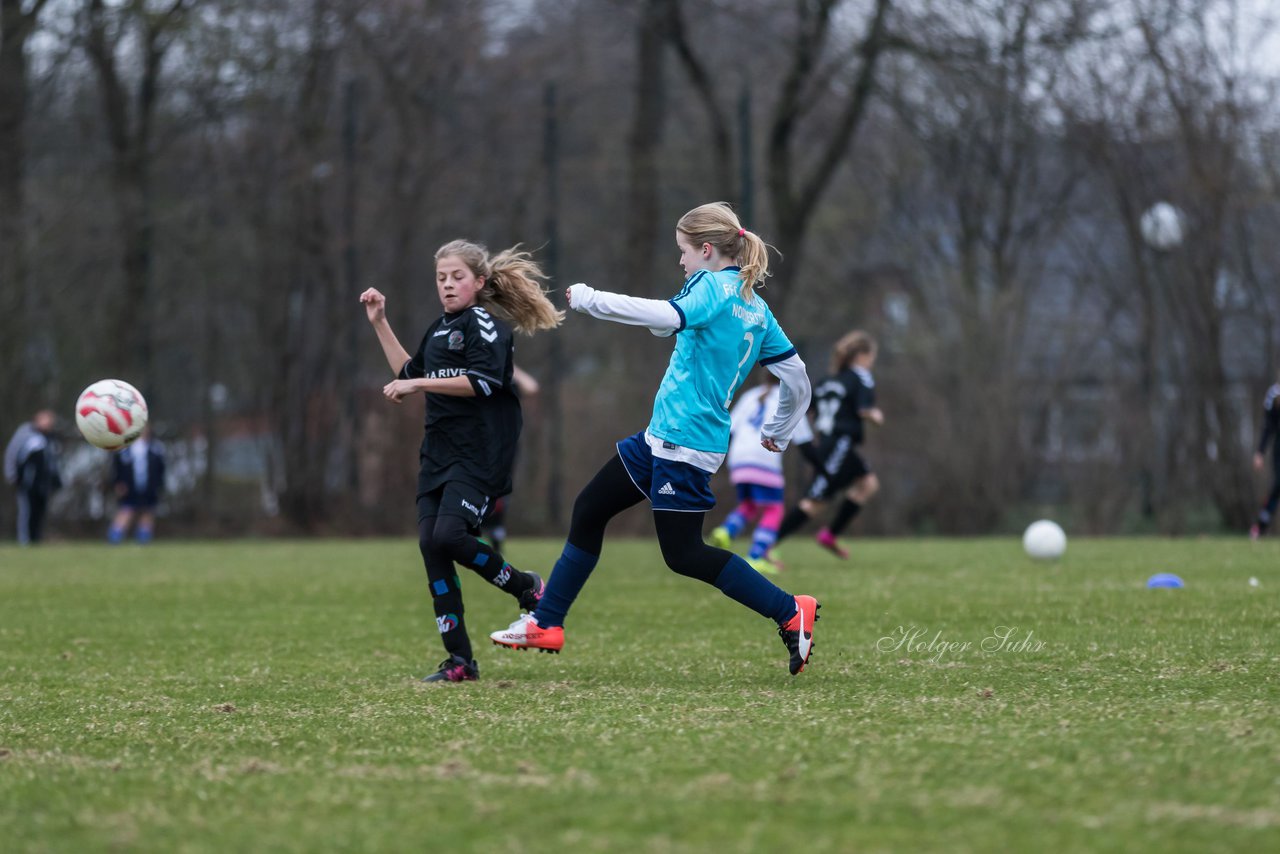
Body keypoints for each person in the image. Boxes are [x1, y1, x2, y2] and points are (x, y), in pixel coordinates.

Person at [489, 202, 821, 676]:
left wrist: (589, 298)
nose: (681, 261)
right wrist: (779, 432)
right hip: (663, 438)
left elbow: (667, 316)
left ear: (706, 250)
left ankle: (791, 610)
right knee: (590, 509)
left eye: (683, 252)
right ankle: (546, 621)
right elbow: (798, 377)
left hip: (684, 444)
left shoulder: (714, 287)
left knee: (684, 554)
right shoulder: (754, 304)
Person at [360, 239, 563, 684]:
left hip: (480, 453)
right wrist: (380, 323)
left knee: (450, 535)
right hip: (438, 454)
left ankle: (526, 587)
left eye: (456, 277)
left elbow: (483, 382)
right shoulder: (437, 329)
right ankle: (460, 661)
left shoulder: (485, 325)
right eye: (441, 278)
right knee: (432, 545)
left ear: (479, 282)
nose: (448, 285)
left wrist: (418, 387)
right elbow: (410, 375)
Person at [772, 330, 884, 559]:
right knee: (814, 501)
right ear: (862, 355)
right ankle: (765, 545)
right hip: (839, 446)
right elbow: (863, 410)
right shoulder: (861, 376)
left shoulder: (826, 382)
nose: (871, 362)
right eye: (872, 356)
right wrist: (875, 415)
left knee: (868, 484)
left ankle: (830, 535)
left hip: (832, 443)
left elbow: (808, 410)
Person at [709, 370, 820, 573]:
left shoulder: (750, 396)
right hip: (764, 459)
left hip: (739, 458)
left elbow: (730, 430)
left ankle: (726, 531)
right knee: (773, 509)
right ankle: (756, 556)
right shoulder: (790, 401)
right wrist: (822, 467)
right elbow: (805, 443)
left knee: (749, 504)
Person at [480, 364, 540, 554]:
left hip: (506, 443)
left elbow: (532, 387)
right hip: (480, 441)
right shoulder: (483, 374)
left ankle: (496, 531)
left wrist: (512, 366)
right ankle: (475, 529)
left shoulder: (510, 377)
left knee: (500, 490)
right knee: (478, 486)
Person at [4, 409, 62, 545]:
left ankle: (36, 541)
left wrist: (57, 481)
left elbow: (51, 464)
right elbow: (13, 454)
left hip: (43, 485)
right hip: (28, 484)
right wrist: (13, 476)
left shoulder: (49, 439)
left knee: (39, 514)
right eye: (46, 419)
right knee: (27, 512)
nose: (49, 423)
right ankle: (24, 541)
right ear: (37, 419)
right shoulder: (26, 434)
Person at [108, 426, 166, 544]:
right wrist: (118, 483)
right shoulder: (124, 449)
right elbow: (117, 468)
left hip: (149, 487)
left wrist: (159, 485)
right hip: (129, 487)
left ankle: (143, 541)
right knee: (126, 511)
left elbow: (161, 469)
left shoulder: (156, 448)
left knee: (147, 512)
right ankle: (114, 538)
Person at [1250, 374, 1280, 539]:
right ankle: (1260, 527)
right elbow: (1268, 428)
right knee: (1277, 486)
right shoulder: (1274, 395)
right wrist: (1260, 452)